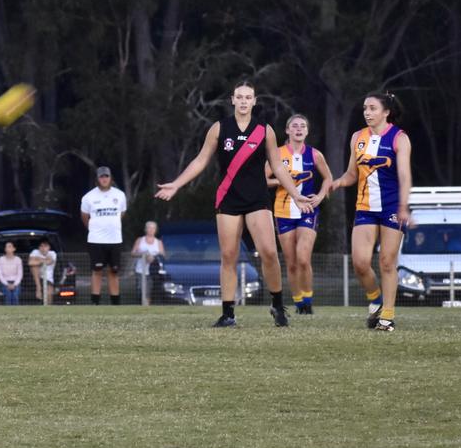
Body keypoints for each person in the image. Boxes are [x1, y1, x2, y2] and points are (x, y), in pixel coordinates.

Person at [156, 81, 319, 327]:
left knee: (269, 253)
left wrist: (295, 194)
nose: (243, 101)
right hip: (228, 199)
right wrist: (177, 184)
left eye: (248, 97)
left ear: (254, 101)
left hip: (257, 200)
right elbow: (201, 161)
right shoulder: (219, 128)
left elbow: (277, 166)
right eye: (239, 97)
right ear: (232, 100)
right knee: (229, 256)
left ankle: (277, 305)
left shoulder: (265, 130)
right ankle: (228, 313)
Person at [332, 92, 412, 332]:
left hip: (391, 206)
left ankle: (387, 316)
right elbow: (351, 175)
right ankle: (375, 299)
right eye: (365, 108)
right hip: (365, 207)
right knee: (360, 263)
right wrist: (336, 183)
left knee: (387, 261)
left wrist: (404, 206)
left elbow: (405, 176)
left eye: (373, 108)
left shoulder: (399, 138)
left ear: (386, 112)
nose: (367, 112)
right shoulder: (357, 137)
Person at [266, 114, 333, 314]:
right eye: (294, 126)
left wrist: (320, 196)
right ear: (287, 130)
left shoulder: (314, 155)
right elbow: (263, 180)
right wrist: (281, 181)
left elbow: (328, 178)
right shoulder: (277, 154)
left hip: (308, 210)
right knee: (292, 262)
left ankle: (308, 300)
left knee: (303, 258)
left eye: (302, 126)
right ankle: (298, 302)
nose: (298, 129)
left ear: (307, 131)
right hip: (283, 211)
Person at [81, 166, 127, 305]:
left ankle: (115, 303)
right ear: (97, 179)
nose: (104, 179)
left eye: (106, 176)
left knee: (114, 271)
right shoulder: (89, 197)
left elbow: (122, 213)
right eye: (101, 177)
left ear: (110, 178)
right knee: (97, 271)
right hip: (96, 240)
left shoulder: (119, 195)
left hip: (115, 239)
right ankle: (95, 302)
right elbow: (84, 217)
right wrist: (94, 229)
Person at [131, 221, 166, 305]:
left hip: (153, 271)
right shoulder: (140, 240)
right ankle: (141, 305)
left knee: (148, 291)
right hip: (140, 271)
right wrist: (143, 255)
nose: (151, 230)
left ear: (155, 230)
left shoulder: (158, 242)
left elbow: (163, 255)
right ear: (146, 229)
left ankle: (147, 307)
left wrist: (153, 257)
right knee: (140, 290)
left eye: (153, 228)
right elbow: (132, 253)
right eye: (149, 228)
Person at [28, 237, 57, 304]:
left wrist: (37, 259)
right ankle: (38, 288)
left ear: (49, 247)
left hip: (48, 278)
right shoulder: (35, 252)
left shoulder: (52, 253)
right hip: (36, 278)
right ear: (39, 247)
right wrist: (43, 260)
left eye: (45, 246)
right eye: (41, 246)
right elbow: (30, 263)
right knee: (34, 267)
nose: (43, 248)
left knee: (49, 292)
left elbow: (49, 261)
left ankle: (48, 309)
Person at [0, 241, 23, 305]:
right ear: (5, 249)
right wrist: (7, 284)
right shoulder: (1, 259)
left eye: (10, 246)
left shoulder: (18, 259)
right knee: (8, 295)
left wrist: (15, 284)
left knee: (15, 295)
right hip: (4, 282)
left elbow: (20, 274)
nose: (8, 248)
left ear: (14, 249)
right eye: (6, 247)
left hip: (15, 282)